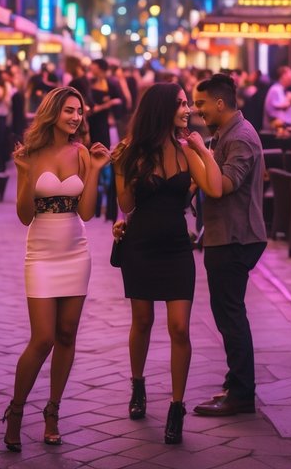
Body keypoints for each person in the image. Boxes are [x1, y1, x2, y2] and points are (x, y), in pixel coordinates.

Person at [111, 82, 222, 445]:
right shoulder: (131, 152)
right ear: (161, 109)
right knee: (142, 321)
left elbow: (214, 188)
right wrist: (120, 169)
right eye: (181, 103)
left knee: (179, 328)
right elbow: (126, 204)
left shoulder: (187, 149)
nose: (188, 109)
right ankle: (138, 386)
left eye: (188, 103)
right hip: (140, 245)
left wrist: (203, 151)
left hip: (176, 248)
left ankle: (177, 406)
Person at [2, 87, 110, 452]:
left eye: (79, 111)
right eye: (69, 110)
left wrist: (95, 170)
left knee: (66, 334)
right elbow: (24, 215)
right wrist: (24, 175)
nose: (76, 117)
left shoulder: (82, 153)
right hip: (41, 252)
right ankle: (16, 411)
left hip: (76, 250)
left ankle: (53, 411)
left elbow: (87, 212)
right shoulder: (29, 154)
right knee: (43, 338)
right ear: (53, 112)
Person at [189, 73, 267, 418]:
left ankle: (241, 393)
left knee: (230, 315)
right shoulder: (225, 133)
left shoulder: (242, 137)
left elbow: (222, 186)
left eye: (201, 103)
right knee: (226, 314)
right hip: (225, 234)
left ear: (220, 103)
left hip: (236, 236)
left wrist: (197, 151)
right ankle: (236, 382)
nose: (197, 110)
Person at [70, 59, 124, 220]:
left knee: (104, 162)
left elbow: (123, 102)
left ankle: (103, 204)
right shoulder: (84, 83)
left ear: (100, 69)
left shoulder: (110, 84)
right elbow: (89, 109)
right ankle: (91, 200)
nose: (90, 70)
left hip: (102, 127)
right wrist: (107, 105)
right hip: (89, 127)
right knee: (87, 162)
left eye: (93, 67)